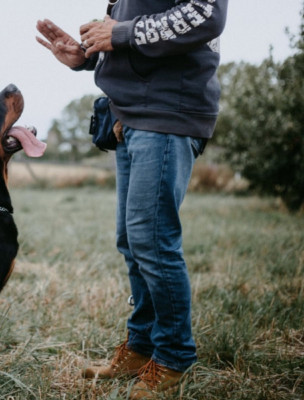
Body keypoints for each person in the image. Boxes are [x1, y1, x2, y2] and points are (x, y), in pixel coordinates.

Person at [36, 1, 227, 398]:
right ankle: (141, 347)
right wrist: (87, 56)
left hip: (167, 114)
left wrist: (119, 33)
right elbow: (140, 39)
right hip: (132, 115)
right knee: (133, 241)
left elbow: (205, 15)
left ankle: (174, 357)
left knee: (153, 242)